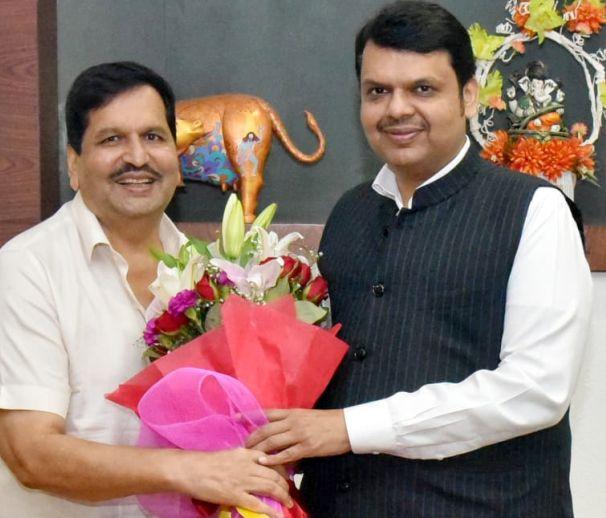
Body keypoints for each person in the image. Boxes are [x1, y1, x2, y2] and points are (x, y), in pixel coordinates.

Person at [246, 2, 592, 516]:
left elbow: (534, 389)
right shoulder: (349, 213)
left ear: (468, 96)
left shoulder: (535, 211)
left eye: (422, 89)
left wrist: (349, 428)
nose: (396, 109)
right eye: (377, 91)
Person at [0, 62, 291, 518]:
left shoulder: (214, 274)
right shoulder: (28, 269)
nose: (137, 157)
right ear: (74, 164)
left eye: (154, 137)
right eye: (111, 139)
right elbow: (30, 454)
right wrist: (192, 471)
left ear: (177, 161)